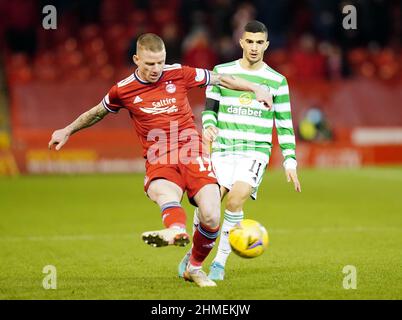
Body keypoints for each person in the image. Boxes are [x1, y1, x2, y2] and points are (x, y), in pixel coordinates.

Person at [48, 33, 272, 287]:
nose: (156, 69)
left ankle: (194, 268)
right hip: (160, 155)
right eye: (150, 64)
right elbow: (97, 112)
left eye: (160, 62)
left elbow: (222, 79)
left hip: (192, 151)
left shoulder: (179, 73)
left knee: (211, 215)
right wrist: (67, 130)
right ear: (136, 59)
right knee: (164, 191)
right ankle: (176, 230)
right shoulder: (123, 90)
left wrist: (256, 88)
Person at [178, 21, 301, 281]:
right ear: (241, 42)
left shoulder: (277, 81)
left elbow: (285, 124)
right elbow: (210, 109)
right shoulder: (222, 72)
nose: (254, 47)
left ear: (266, 45)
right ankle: (193, 254)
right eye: (250, 41)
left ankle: (220, 263)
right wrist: (209, 127)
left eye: (259, 43)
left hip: (254, 152)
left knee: (235, 200)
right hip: (222, 150)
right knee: (207, 207)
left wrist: (290, 161)